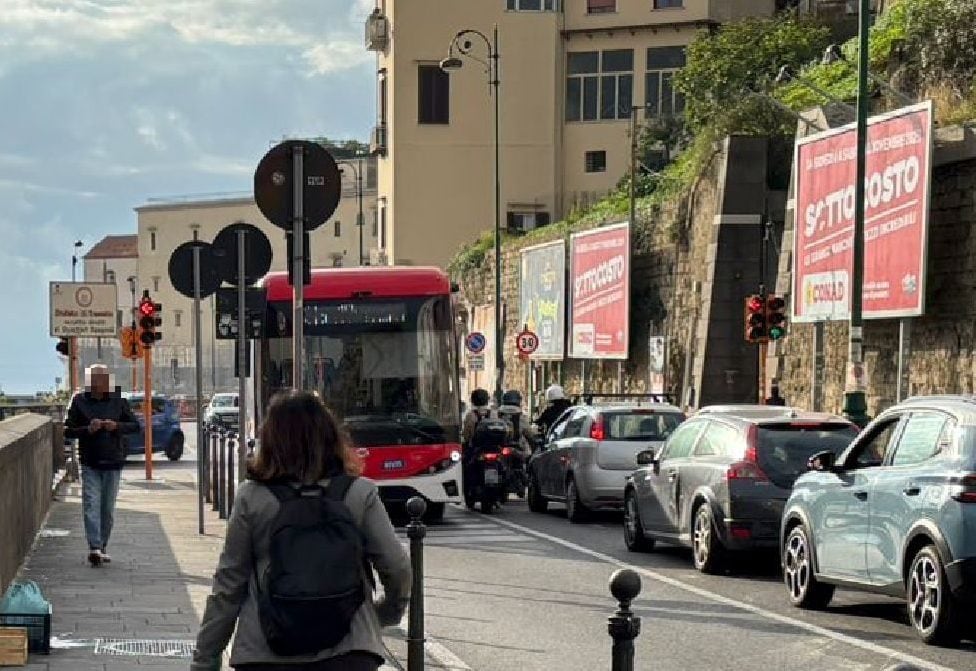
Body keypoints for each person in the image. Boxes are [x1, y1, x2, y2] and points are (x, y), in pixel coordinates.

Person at [192, 391, 411, 671]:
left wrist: (206, 656)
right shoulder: (359, 493)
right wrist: (388, 612)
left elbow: (229, 584)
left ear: (270, 440)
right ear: (331, 436)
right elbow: (397, 565)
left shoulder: (252, 497)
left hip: (264, 651)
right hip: (350, 650)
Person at [63, 364, 139, 568]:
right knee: (90, 503)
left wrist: (116, 426)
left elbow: (135, 426)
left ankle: (102, 546)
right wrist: (88, 429)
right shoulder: (79, 401)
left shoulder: (118, 399)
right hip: (90, 461)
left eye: (101, 379)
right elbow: (67, 430)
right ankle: (94, 547)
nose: (97, 383)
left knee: (107, 509)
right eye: (93, 380)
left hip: (113, 461)